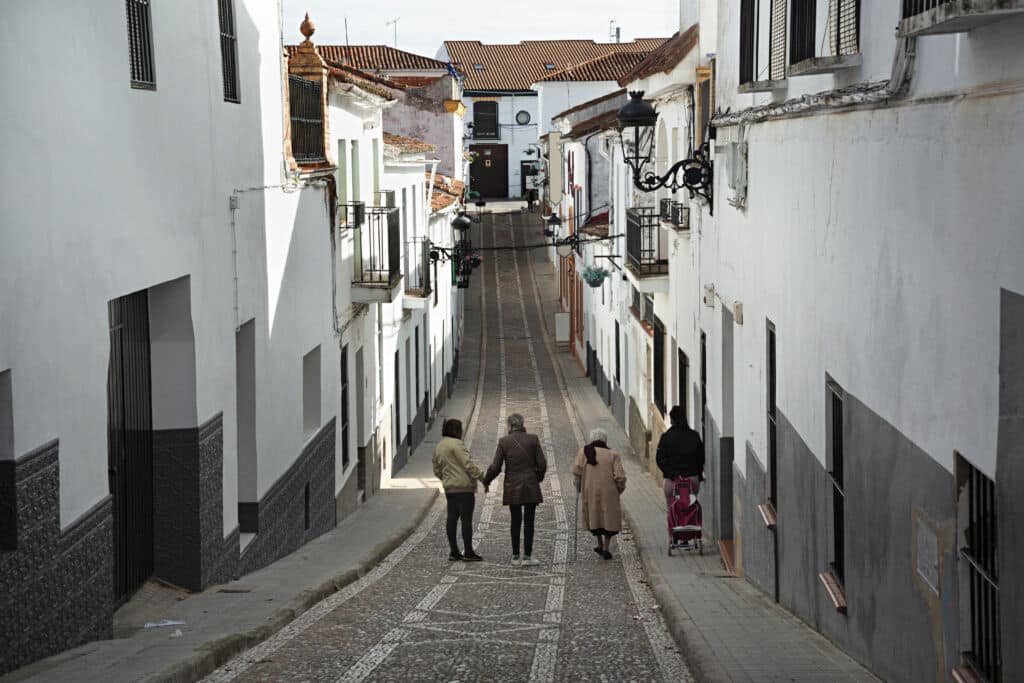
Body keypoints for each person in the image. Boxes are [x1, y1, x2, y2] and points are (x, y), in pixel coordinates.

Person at [484, 413, 547, 566]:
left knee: (515, 520)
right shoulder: (533, 439)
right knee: (529, 521)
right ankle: (527, 557)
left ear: (510, 426)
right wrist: (536, 477)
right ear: (522, 424)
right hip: (530, 485)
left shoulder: (504, 442)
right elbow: (542, 464)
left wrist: (486, 481)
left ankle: (515, 556)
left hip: (512, 486)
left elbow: (496, 467)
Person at [432, 418, 487, 562]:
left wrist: (446, 479)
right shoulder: (457, 445)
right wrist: (482, 477)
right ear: (457, 430)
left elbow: (436, 470)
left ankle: (454, 551)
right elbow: (468, 464)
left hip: (450, 489)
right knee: (466, 520)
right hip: (464, 488)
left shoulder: (439, 446)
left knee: (451, 519)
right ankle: (468, 552)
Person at [572, 428, 627, 560]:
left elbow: (576, 473)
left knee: (594, 518)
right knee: (608, 520)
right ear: (605, 440)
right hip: (609, 492)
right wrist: (618, 490)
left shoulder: (583, 452)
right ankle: (606, 547)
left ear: (592, 440)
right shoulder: (613, 454)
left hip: (589, 491)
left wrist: (578, 487)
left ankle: (600, 544)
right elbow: (620, 477)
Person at [655, 406, 705, 511]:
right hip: (692, 479)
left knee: (672, 512)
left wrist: (670, 474)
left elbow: (659, 459)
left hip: (672, 481)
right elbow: (701, 459)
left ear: (672, 419)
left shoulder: (666, 437)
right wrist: (698, 475)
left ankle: (674, 525)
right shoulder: (694, 436)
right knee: (690, 508)